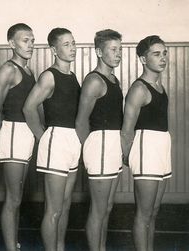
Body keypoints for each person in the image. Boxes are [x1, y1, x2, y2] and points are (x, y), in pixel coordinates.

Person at [23, 27, 81, 251]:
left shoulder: (72, 75)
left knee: (65, 206)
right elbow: (28, 108)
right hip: (56, 140)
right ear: (53, 49)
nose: (72, 48)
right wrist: (44, 137)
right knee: (54, 208)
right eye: (66, 44)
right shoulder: (49, 76)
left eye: (73, 43)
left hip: (72, 142)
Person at [0, 23, 35, 251]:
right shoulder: (8, 69)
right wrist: (2, 138)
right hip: (13, 133)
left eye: (32, 40)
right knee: (13, 197)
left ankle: (13, 243)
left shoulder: (28, 71)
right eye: (25, 40)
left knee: (18, 197)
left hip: (25, 135)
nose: (30, 45)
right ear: (11, 44)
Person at [75, 29, 123, 251]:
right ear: (98, 51)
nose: (118, 54)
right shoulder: (94, 81)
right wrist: (89, 152)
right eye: (113, 49)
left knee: (108, 207)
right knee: (98, 208)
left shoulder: (113, 79)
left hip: (112, 145)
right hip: (100, 145)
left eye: (120, 49)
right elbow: (81, 121)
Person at [121, 35, 170, 251]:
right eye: (156, 54)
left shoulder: (159, 86)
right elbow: (126, 130)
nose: (163, 58)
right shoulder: (139, 89)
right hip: (146, 148)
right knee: (144, 212)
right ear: (143, 59)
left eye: (164, 53)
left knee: (155, 209)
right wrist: (129, 157)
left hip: (161, 147)